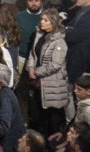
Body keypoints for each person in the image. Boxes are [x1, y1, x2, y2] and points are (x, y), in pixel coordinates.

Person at [25, 8, 68, 137]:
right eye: (42, 19)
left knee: (52, 119)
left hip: (52, 84)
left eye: (45, 20)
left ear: (53, 23)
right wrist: (31, 67)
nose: (42, 22)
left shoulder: (59, 41)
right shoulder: (39, 36)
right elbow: (33, 53)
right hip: (40, 84)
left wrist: (37, 72)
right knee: (40, 116)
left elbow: (55, 64)